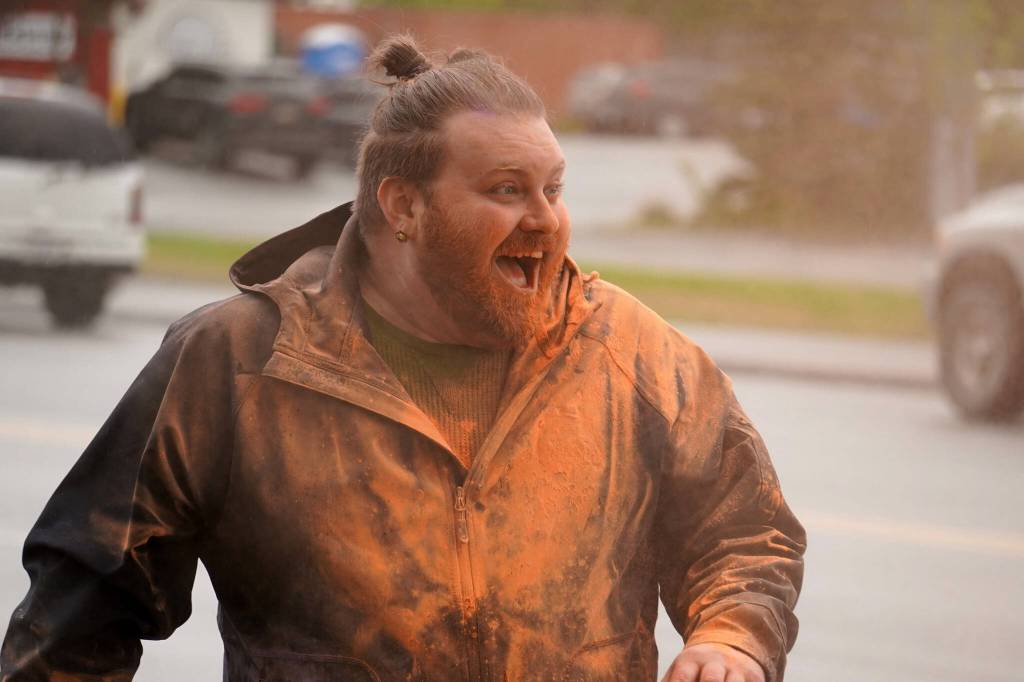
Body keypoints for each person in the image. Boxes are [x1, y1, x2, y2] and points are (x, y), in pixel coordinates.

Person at [1, 36, 805, 682]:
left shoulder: (631, 351)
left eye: (553, 188)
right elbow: (78, 615)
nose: (546, 221)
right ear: (404, 207)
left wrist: (733, 638)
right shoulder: (236, 364)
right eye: (506, 190)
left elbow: (745, 533)